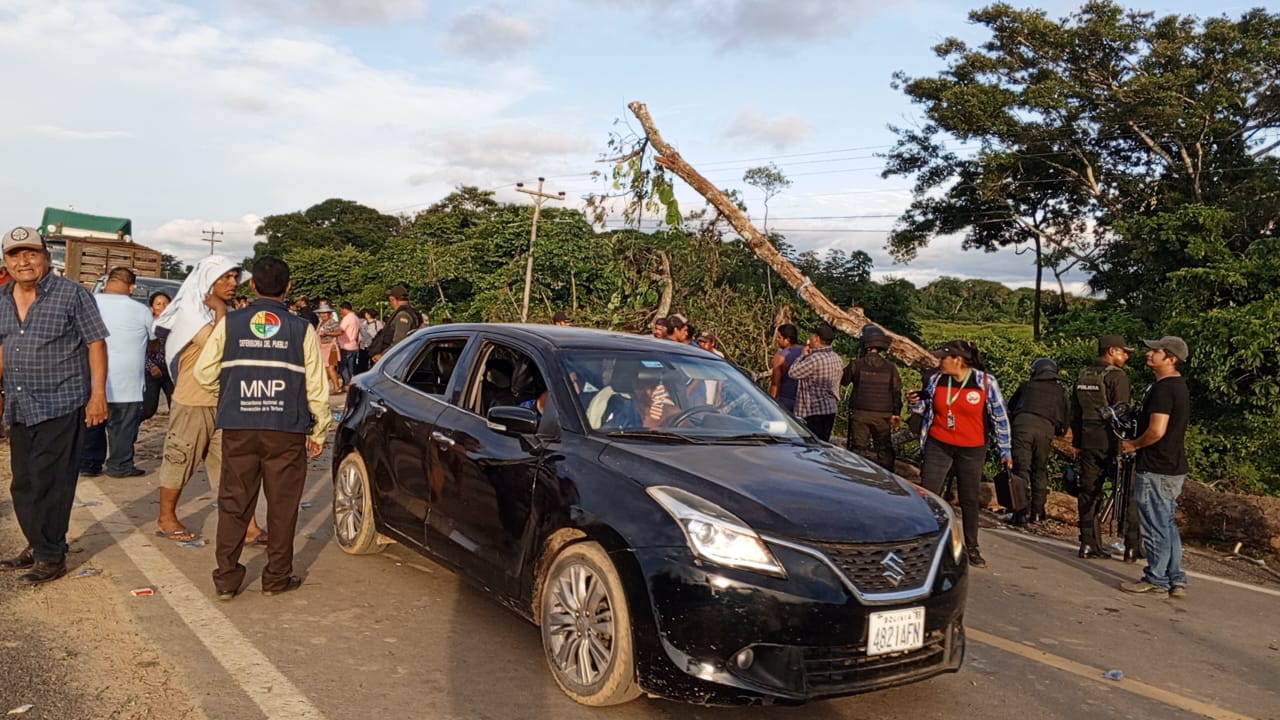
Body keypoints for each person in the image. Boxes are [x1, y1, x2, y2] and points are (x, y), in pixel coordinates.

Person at [195, 256, 331, 600]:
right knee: (283, 506)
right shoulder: (302, 328)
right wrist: (319, 430)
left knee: (234, 503)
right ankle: (276, 578)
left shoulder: (231, 322)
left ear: (252, 286)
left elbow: (203, 374)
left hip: (239, 425)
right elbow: (316, 386)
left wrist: (229, 394)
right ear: (288, 288)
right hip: (286, 427)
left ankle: (226, 579)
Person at [0, 226, 109, 584]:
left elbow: (96, 344)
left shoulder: (72, 294)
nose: (23, 261)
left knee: (52, 481)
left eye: (31, 253)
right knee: (24, 482)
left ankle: (51, 554)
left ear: (46, 257)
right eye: (15, 254)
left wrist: (97, 396)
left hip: (61, 402)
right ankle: (38, 541)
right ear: (6, 261)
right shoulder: (2, 297)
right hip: (19, 403)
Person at [153, 255, 265, 544]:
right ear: (208, 281)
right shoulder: (194, 310)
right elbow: (222, 345)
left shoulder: (220, 311)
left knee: (231, 467)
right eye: (226, 277)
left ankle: (249, 526)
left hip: (221, 402)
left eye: (235, 277)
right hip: (193, 400)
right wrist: (219, 309)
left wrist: (221, 309)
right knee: (181, 457)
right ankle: (166, 517)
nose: (232, 283)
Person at [909, 340, 1013, 569]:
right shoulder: (937, 379)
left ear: (957, 360)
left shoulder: (985, 382)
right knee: (928, 495)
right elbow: (925, 409)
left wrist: (1005, 450)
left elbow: (999, 416)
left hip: (972, 448)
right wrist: (916, 402)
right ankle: (924, 543)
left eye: (943, 358)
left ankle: (972, 547)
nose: (939, 362)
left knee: (968, 498)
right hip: (939, 444)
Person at [1119, 337, 1192, 598]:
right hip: (1173, 465)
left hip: (1156, 466)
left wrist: (1134, 445)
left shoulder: (1164, 389)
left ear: (1171, 358)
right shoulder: (1179, 386)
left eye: (1156, 351)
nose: (1149, 354)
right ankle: (1175, 578)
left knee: (1153, 525)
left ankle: (1156, 578)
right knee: (1167, 523)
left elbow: (1157, 430)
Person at [80, 266, 154, 478]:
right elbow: (154, 341)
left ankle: (88, 464)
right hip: (128, 382)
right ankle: (120, 466)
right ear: (132, 287)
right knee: (123, 427)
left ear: (106, 283)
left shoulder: (89, 303)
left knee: (92, 424)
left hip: (92, 378)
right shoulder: (141, 310)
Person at [1071, 334, 1134, 560]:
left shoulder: (1083, 375)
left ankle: (1089, 543)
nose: (1126, 356)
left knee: (1089, 492)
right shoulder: (1117, 377)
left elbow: (1075, 413)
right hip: (1114, 443)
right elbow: (1123, 411)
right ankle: (1132, 545)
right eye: (1123, 351)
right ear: (1111, 351)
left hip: (1088, 442)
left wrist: (1077, 442)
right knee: (1128, 491)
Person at [1007, 358, 1069, 524]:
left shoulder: (1026, 386)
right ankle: (1037, 513)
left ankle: (1019, 513)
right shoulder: (1060, 391)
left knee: (1021, 469)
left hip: (1022, 427)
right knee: (1040, 470)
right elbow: (1064, 422)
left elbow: (1010, 408)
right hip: (1045, 430)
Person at [840, 325, 902, 471]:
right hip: (883, 415)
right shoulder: (891, 367)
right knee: (884, 448)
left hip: (860, 414)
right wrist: (896, 413)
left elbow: (844, 381)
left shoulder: (857, 364)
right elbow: (896, 391)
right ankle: (888, 478)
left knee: (859, 448)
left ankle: (857, 476)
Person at [787, 323, 843, 441]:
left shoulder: (814, 359)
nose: (809, 339)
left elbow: (793, 372)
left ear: (817, 339)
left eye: (812, 336)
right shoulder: (837, 358)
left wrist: (802, 356)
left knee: (811, 446)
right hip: (830, 409)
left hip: (813, 411)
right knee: (824, 444)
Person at [141, 291, 175, 421]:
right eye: (158, 304)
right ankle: (128, 432)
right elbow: (140, 349)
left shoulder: (177, 324)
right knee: (148, 409)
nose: (162, 307)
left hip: (171, 372)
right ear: (152, 308)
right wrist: (150, 366)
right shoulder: (147, 325)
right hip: (152, 371)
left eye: (166, 303)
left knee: (176, 408)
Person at [368, 284, 420, 362]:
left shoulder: (402, 315)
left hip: (397, 359)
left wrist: (383, 355)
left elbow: (400, 342)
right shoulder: (412, 313)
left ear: (392, 299)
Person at [769, 324, 803, 413]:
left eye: (779, 338)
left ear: (787, 340)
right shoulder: (804, 352)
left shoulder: (780, 356)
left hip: (784, 400)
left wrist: (770, 402)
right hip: (801, 402)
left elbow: (775, 383)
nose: (777, 340)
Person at [315, 302, 344, 393]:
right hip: (322, 346)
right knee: (325, 367)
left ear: (329, 313)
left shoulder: (332, 322)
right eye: (321, 313)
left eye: (325, 313)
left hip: (331, 346)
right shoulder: (321, 323)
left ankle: (336, 387)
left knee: (330, 367)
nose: (323, 315)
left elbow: (340, 332)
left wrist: (328, 333)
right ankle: (326, 386)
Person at [357, 308, 382, 373]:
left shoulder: (377, 324)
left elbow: (380, 335)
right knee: (362, 364)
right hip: (363, 346)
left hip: (373, 347)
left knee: (373, 364)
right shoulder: (363, 323)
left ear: (368, 315)